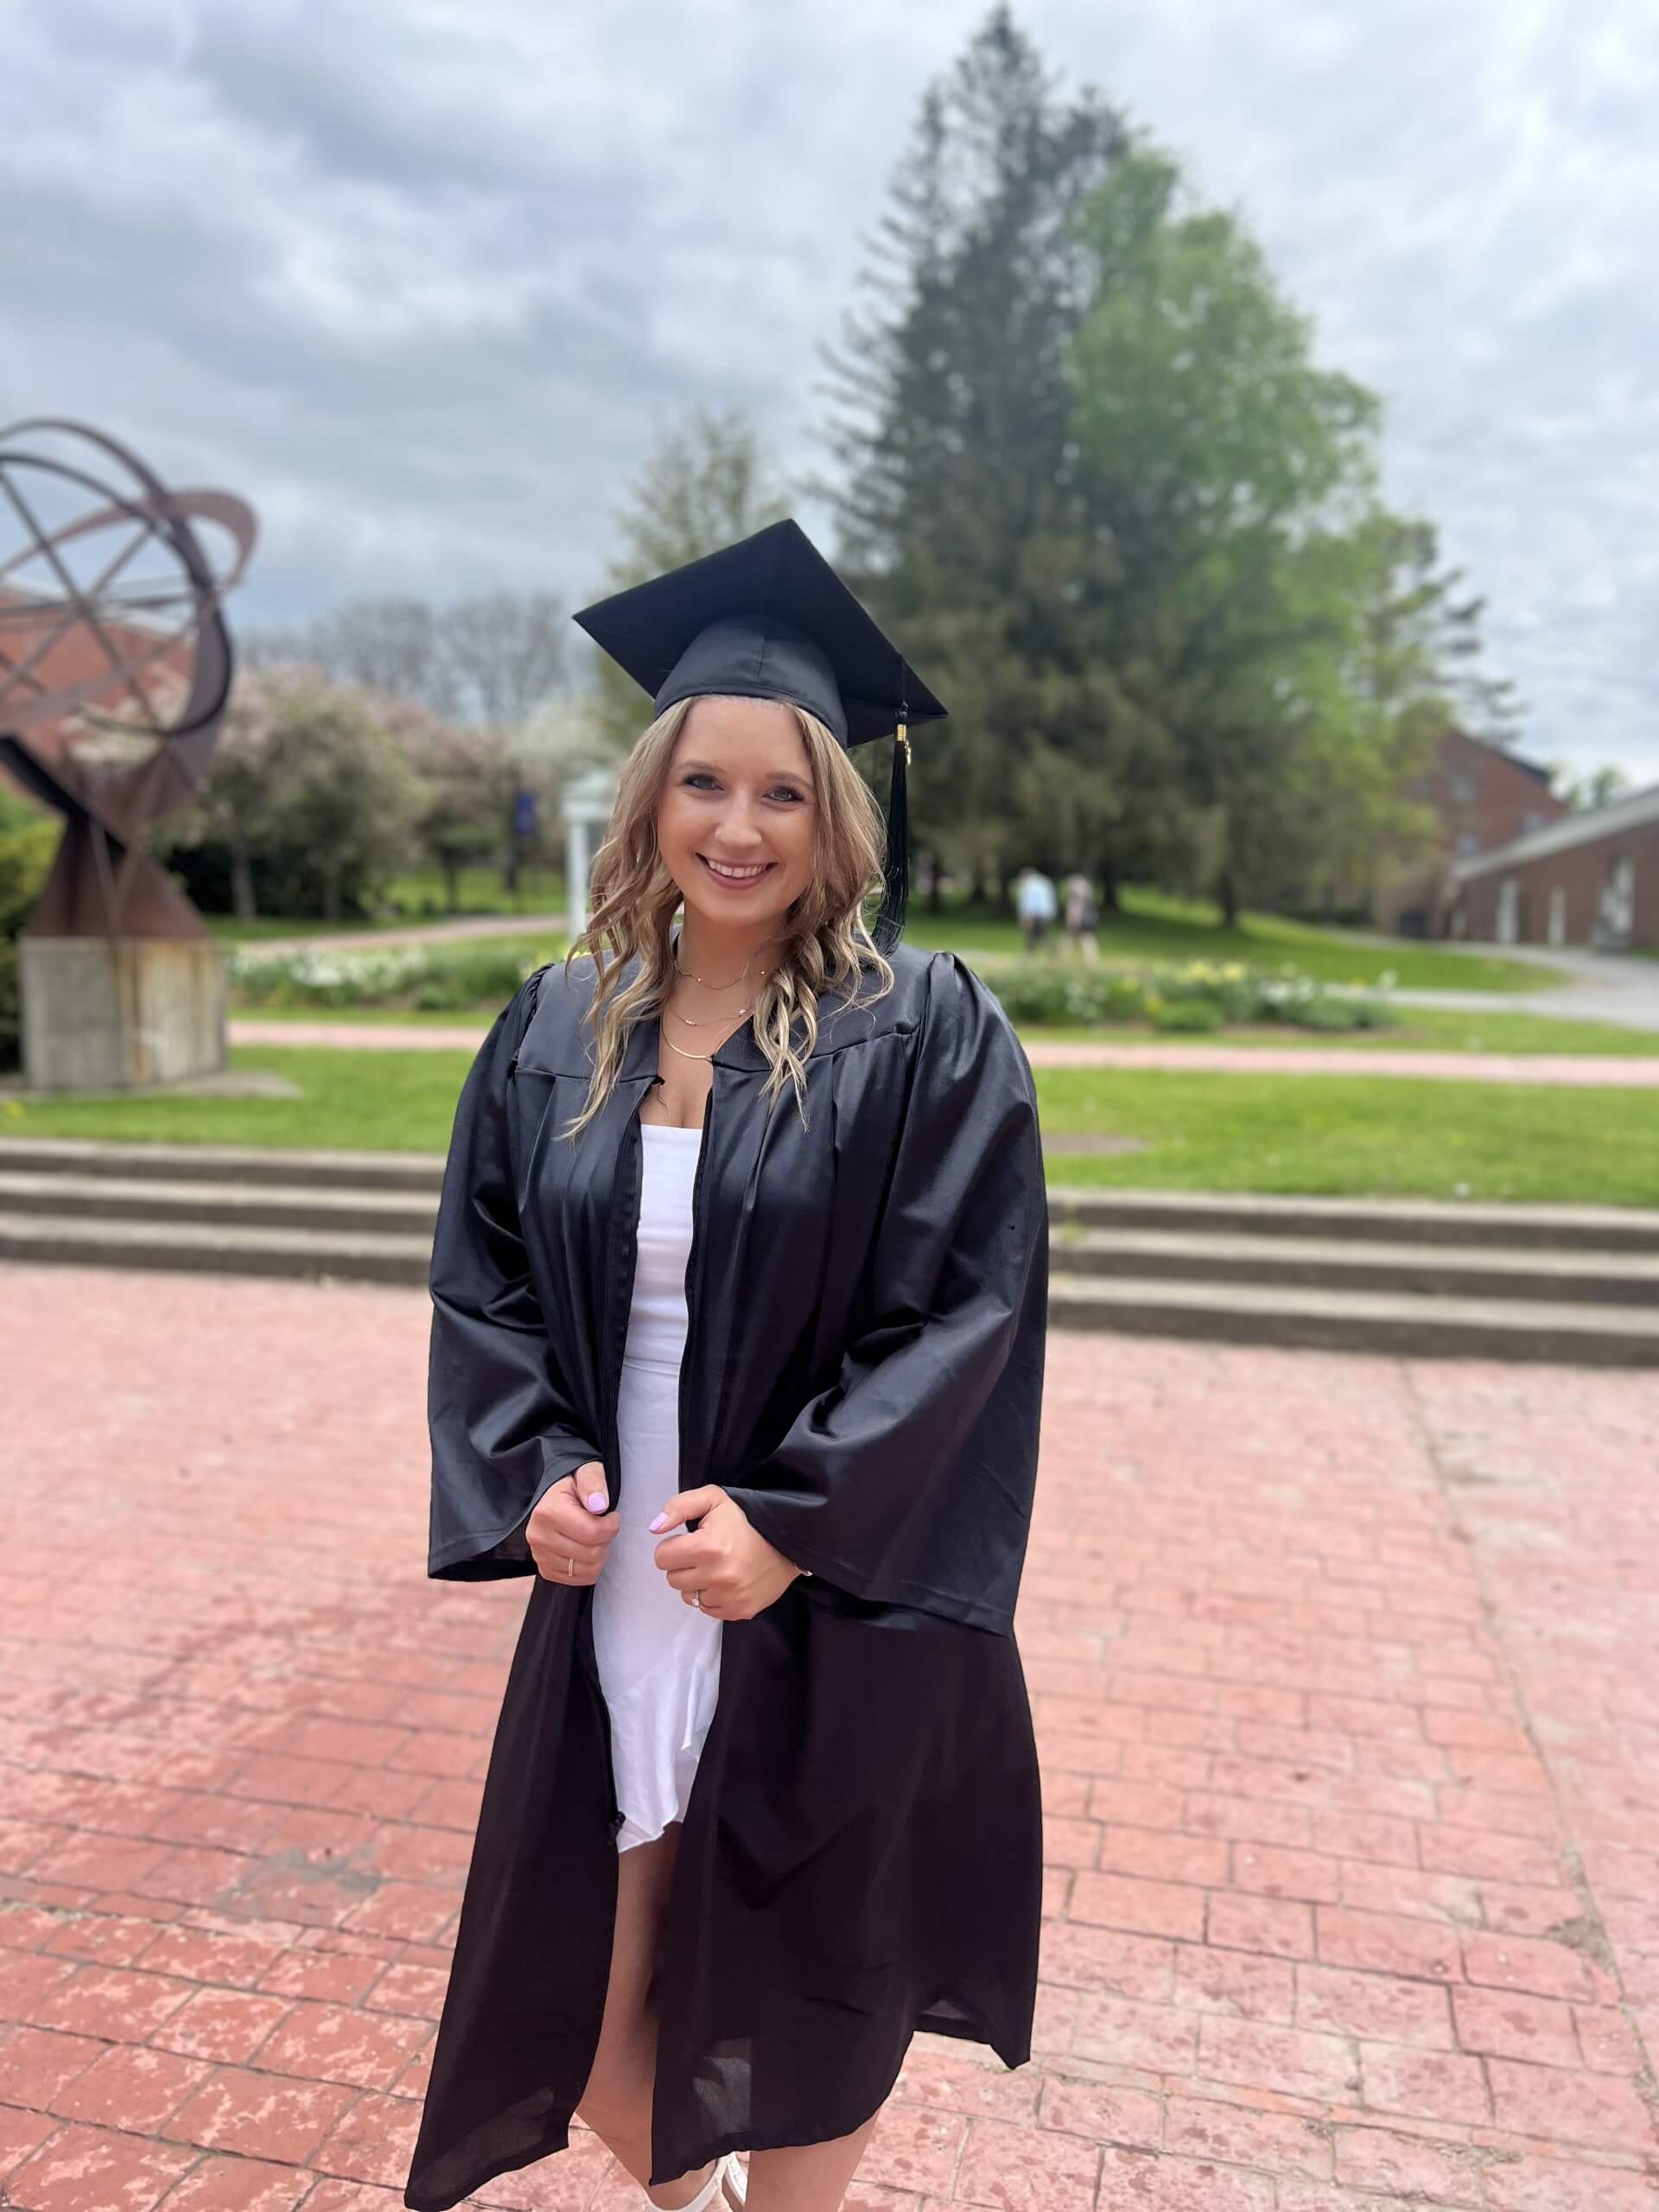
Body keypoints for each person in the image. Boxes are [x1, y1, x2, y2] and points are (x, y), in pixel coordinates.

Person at [403, 518, 1049, 2212]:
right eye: (704, 782)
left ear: (837, 816)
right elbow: (486, 1282)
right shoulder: (558, 1025)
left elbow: (966, 1306)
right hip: (622, 1559)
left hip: (830, 1571)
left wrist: (795, 1522)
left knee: (825, 1959)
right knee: (594, 1983)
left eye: (782, 792)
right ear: (652, 798)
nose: (739, 826)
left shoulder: (925, 1028)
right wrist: (528, 1465)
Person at [1014, 863, 1057, 952]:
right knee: (1042, 934)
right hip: (1047, 912)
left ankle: (1031, 953)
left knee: (1034, 934)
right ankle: (1050, 952)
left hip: (1035, 913)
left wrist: (1026, 915)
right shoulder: (1045, 881)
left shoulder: (1028, 885)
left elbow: (1030, 901)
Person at [1062, 872, 1100, 963]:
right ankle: (1092, 961)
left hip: (1079, 922)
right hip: (1086, 922)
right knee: (1087, 941)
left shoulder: (1076, 897)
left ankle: (1063, 959)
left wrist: (1072, 922)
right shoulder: (1087, 896)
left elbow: (1075, 911)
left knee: (1070, 940)